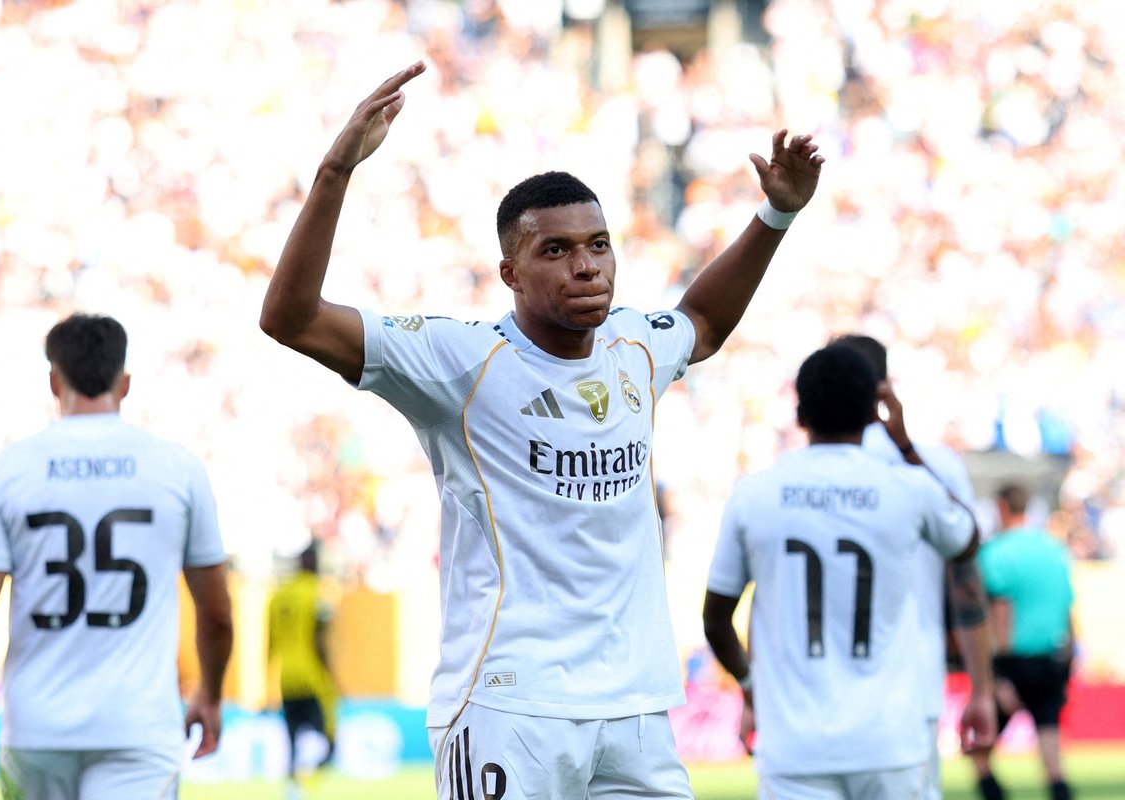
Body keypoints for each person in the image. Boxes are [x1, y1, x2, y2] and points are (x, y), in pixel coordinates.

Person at [259, 60, 824, 799]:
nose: (586, 266)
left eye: (598, 244)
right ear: (511, 274)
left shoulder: (634, 346)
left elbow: (704, 321)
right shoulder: (460, 361)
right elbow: (291, 318)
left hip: (634, 707)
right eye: (555, 251)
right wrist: (336, 172)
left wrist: (775, 216)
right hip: (509, 705)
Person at [0, 313, 234, 800]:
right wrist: (210, 696)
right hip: (138, 729)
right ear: (124, 383)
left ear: (55, 381)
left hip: (37, 730)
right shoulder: (179, 470)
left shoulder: (5, 472)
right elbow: (216, 614)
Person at [702, 344, 996, 799]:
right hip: (890, 742)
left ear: (800, 415)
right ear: (874, 412)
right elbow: (967, 540)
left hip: (796, 745)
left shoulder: (754, 494)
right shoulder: (909, 488)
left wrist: (749, 685)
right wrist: (905, 446)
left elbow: (716, 618)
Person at [832, 332, 982, 800]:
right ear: (884, 388)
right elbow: (967, 569)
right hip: (911, 681)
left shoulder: (793, 474)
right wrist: (982, 686)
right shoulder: (935, 467)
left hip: (823, 683)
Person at [970, 482, 1077, 800]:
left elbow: (999, 612)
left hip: (1012, 662)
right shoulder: (1054, 549)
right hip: (1052, 659)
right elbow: (1067, 608)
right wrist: (1069, 656)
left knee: (978, 745)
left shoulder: (995, 552)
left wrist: (997, 672)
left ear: (1001, 507)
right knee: (1050, 749)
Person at [267, 542, 338, 795]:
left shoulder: (277, 597)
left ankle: (293, 788)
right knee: (329, 741)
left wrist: (267, 683)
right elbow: (320, 641)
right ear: (312, 562)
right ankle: (311, 783)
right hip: (312, 678)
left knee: (293, 739)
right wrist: (332, 676)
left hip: (287, 679)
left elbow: (269, 645)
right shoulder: (318, 594)